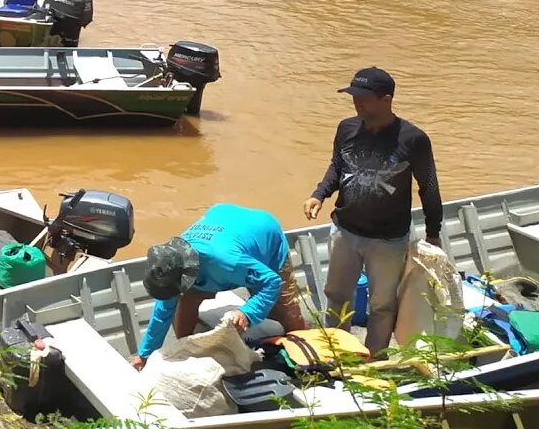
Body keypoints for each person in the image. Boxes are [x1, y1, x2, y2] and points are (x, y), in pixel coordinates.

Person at [304, 67, 442, 356]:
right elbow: (338, 167)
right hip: (345, 230)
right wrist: (319, 194)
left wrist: (433, 233)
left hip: (388, 239)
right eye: (354, 95)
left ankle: (374, 359)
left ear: (386, 98)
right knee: (337, 296)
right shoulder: (346, 129)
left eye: (364, 97)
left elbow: (428, 186)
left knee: (382, 305)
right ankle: (338, 355)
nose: (357, 102)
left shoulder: (413, 139)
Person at [131, 203, 308, 370]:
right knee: (187, 298)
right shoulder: (172, 265)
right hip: (223, 218)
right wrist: (144, 355)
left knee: (285, 310)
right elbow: (163, 312)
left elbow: (271, 282)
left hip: (264, 234)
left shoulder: (227, 262)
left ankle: (306, 357)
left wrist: (247, 312)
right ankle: (186, 350)